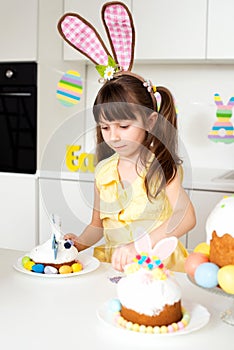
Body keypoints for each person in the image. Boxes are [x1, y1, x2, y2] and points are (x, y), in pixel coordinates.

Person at [65, 71, 196, 272]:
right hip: (114, 267)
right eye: (105, 127)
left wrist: (137, 246)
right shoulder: (103, 172)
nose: (114, 136)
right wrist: (79, 243)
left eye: (124, 126)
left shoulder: (161, 168)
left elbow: (186, 216)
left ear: (151, 122)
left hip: (157, 268)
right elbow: (97, 225)